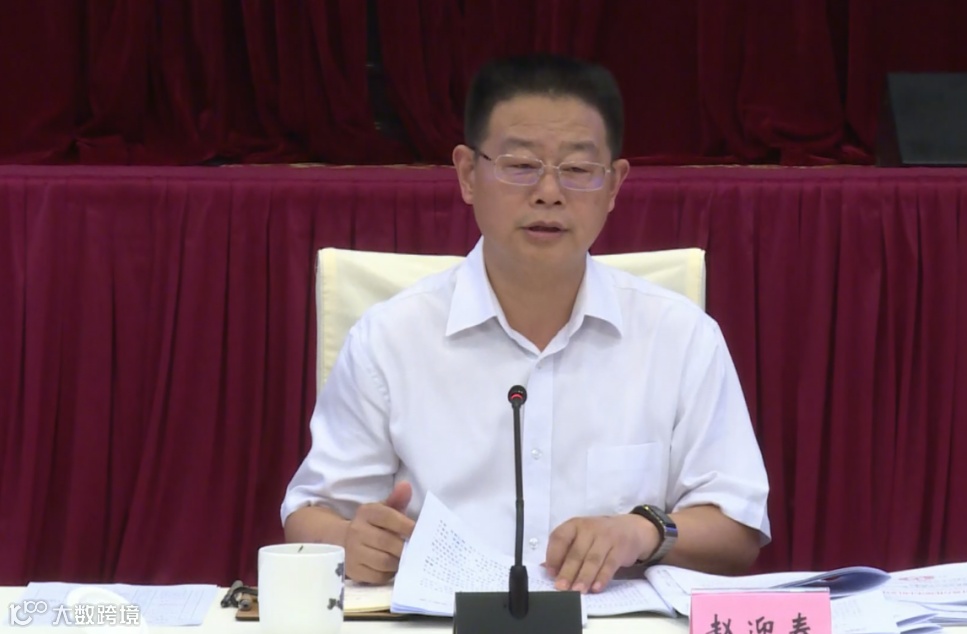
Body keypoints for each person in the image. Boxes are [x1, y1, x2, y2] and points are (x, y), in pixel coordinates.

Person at [281, 54, 770, 595]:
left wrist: (642, 530)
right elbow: (310, 514)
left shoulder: (679, 336)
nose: (548, 193)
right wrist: (351, 542)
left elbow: (738, 530)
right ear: (468, 174)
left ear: (614, 186)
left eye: (578, 170)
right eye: (520, 166)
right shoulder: (389, 338)